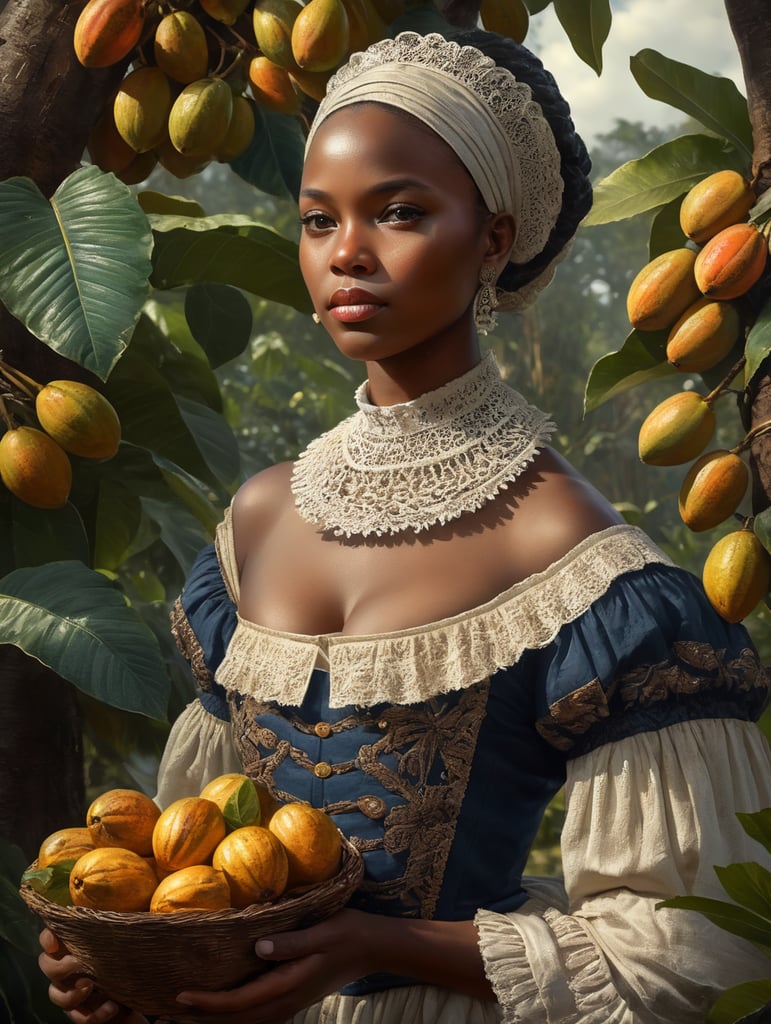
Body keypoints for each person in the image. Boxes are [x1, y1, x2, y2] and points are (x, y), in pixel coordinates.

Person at [39, 26, 771, 1024]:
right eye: (316, 220)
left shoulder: (585, 566)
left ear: (496, 238)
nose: (348, 255)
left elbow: (695, 951)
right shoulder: (254, 521)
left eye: (399, 212)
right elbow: (191, 855)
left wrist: (377, 943)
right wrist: (129, 959)